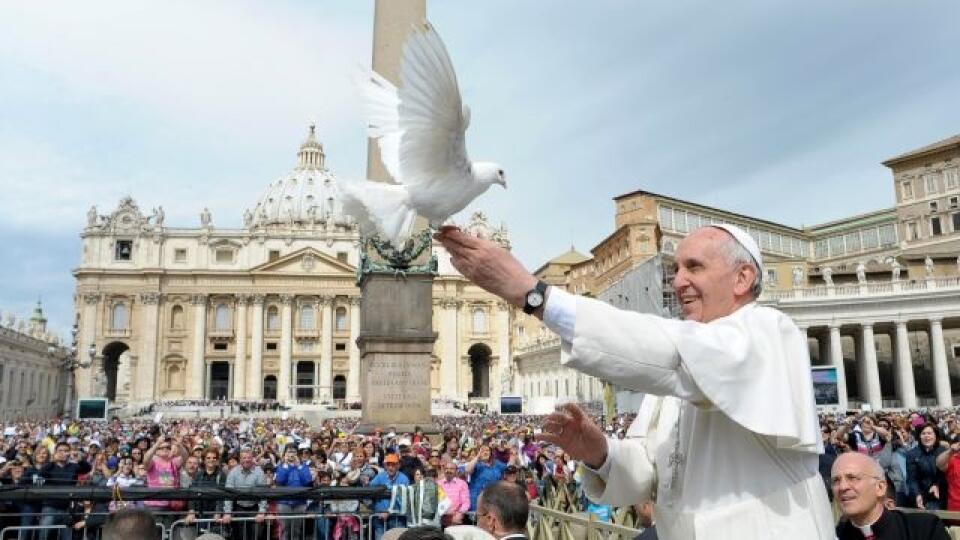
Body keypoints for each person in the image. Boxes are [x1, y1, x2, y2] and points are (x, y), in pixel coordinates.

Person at [435, 224, 833, 539]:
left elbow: (673, 350)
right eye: (676, 269)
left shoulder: (769, 332)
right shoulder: (680, 377)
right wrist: (601, 452)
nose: (678, 281)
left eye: (694, 267)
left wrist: (534, 295)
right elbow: (648, 474)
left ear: (743, 277)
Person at [832, 452, 950, 539]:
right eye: (836, 480)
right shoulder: (833, 535)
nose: (842, 487)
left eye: (852, 478)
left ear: (880, 487)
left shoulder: (924, 528)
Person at [370, 453, 410, 540]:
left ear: (398, 466)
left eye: (393, 465)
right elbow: (370, 491)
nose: (390, 467)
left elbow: (403, 500)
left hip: (397, 519)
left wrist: (389, 512)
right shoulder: (379, 477)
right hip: (379, 517)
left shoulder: (404, 479)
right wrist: (374, 508)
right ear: (385, 466)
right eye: (388, 465)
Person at [907, 423, 947, 510]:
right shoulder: (912, 454)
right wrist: (917, 494)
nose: (926, 436)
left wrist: (937, 485)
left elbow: (945, 474)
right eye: (923, 433)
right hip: (922, 496)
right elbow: (912, 479)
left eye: (929, 433)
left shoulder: (943, 451)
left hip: (940, 495)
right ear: (919, 436)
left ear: (935, 436)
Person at [438, 461, 470, 527]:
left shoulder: (462, 484)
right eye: (446, 468)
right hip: (440, 519)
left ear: (456, 471)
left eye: (451, 469)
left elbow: (466, 503)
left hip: (456, 520)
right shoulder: (438, 484)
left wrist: (459, 514)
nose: (448, 470)